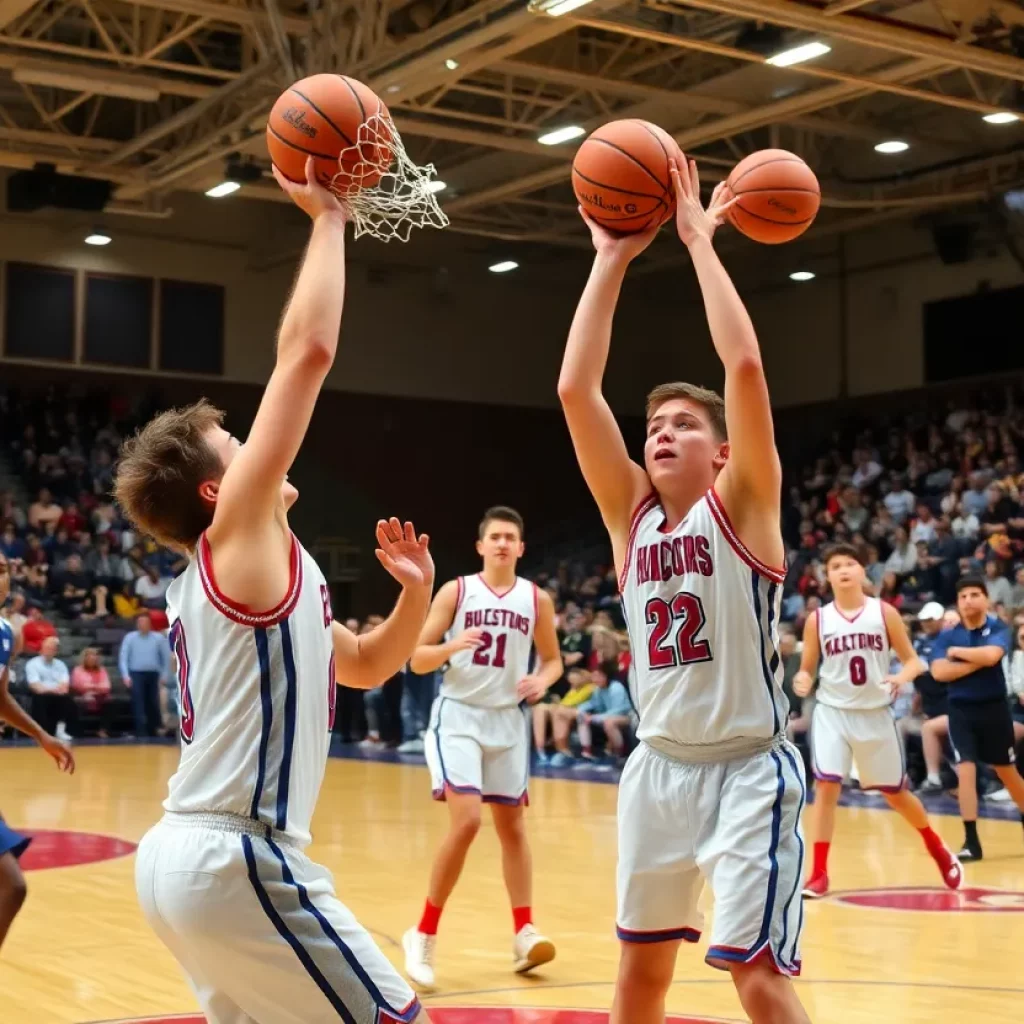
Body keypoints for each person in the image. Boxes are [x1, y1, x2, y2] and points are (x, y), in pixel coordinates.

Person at [119, 159, 434, 1024]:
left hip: (191, 860)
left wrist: (414, 597)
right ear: (221, 491)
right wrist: (330, 218)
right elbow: (310, 352)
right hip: (238, 857)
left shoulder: (257, 578)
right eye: (238, 442)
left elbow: (367, 668)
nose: (258, 442)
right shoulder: (238, 541)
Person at [558, 159, 808, 1024]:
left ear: (723, 452)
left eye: (684, 426)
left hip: (748, 770)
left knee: (757, 977)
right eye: (654, 425)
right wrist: (611, 257)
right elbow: (574, 390)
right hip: (657, 768)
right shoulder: (631, 521)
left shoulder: (744, 504)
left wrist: (699, 240)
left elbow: (742, 364)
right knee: (639, 982)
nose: (662, 433)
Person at [403, 506, 563, 990]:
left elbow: (553, 661)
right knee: (468, 820)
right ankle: (424, 932)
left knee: (513, 828)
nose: (501, 543)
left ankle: (523, 932)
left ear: (520, 547)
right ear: (481, 546)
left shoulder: (538, 600)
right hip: (459, 717)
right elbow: (417, 659)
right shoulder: (457, 591)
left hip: (507, 722)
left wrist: (543, 680)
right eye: (494, 536)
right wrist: (453, 646)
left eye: (510, 537)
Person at [794, 545, 962, 898]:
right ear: (827, 576)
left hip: (874, 713)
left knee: (895, 794)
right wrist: (803, 680)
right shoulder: (818, 620)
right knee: (826, 787)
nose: (842, 570)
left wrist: (901, 679)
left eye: (849, 564)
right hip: (832, 712)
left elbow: (914, 661)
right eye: (835, 565)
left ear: (861, 571)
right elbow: (808, 667)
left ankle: (936, 845)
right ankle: (819, 873)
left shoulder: (883, 613)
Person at [0, 551, 74, 953]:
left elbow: (0, 697)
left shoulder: (5, 633)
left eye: (3, 571)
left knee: (10, 886)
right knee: (10, 884)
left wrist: (41, 735)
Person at [929, 575, 1024, 862]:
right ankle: (971, 841)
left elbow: (993, 656)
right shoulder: (947, 634)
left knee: (1007, 772)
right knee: (966, 770)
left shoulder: (998, 628)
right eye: (963, 596)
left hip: (994, 710)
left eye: (974, 594)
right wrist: (977, 660)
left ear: (985, 599)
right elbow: (938, 673)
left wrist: (957, 655)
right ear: (957, 603)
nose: (968, 600)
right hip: (961, 711)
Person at [913, 602, 952, 794]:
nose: (926, 624)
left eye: (930, 620)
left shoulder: (950, 641)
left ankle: (935, 779)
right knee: (902, 724)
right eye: (924, 620)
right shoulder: (919, 642)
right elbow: (918, 674)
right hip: (929, 704)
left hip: (951, 705)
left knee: (930, 730)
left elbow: (941, 675)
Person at [118, 612, 171, 737]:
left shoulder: (158, 638)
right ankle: (140, 731)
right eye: (140, 622)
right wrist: (125, 676)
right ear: (137, 624)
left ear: (150, 624)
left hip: (154, 673)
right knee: (138, 703)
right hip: (136, 673)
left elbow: (165, 658)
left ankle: (153, 730)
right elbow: (123, 658)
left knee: (153, 702)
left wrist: (164, 675)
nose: (143, 624)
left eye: (145, 622)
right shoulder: (130, 638)